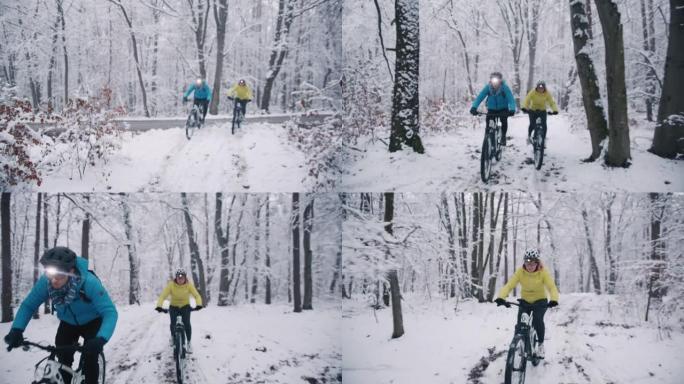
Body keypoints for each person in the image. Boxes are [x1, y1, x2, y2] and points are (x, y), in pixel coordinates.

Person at [4, 247, 118, 384]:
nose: (53, 281)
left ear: (70, 271)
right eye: (50, 275)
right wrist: (17, 329)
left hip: (93, 321)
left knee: (90, 357)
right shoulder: (46, 282)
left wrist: (101, 339)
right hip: (68, 322)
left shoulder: (89, 283)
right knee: (63, 357)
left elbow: (110, 312)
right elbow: (29, 305)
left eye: (59, 276)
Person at [494, 249, 559, 359]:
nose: (529, 266)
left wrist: (553, 299)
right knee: (520, 323)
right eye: (527, 263)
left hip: (540, 301)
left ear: (537, 263)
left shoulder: (543, 272)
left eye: (532, 263)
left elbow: (551, 287)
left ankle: (541, 345)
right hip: (525, 302)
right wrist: (501, 297)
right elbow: (509, 285)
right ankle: (519, 342)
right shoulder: (520, 272)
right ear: (524, 262)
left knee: (537, 320)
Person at [155, 269, 203, 352]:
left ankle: (188, 342)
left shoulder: (189, 285)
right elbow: (163, 296)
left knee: (187, 324)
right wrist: (159, 306)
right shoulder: (171, 285)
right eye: (178, 277)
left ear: (185, 278)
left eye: (182, 277)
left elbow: (196, 295)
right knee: (173, 323)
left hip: (185, 306)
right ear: (176, 278)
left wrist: (199, 304)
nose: (180, 279)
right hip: (174, 306)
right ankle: (173, 337)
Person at [470, 72, 517, 146]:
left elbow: (511, 99)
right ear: (490, 80)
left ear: (500, 80)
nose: (494, 82)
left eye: (497, 80)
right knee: (488, 124)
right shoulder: (488, 87)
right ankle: (487, 140)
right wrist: (474, 107)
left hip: (503, 109)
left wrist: (512, 109)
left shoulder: (504, 88)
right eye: (492, 80)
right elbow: (480, 96)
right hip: (492, 109)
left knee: (504, 121)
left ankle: (503, 136)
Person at [521, 80, 559, 145]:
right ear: (537, 87)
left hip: (542, 110)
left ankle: (543, 139)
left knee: (544, 125)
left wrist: (555, 110)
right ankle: (529, 136)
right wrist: (524, 107)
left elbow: (551, 103)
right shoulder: (533, 92)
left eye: (542, 88)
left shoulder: (547, 93)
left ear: (544, 88)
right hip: (533, 110)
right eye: (539, 87)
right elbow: (527, 100)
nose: (540, 89)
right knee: (532, 124)